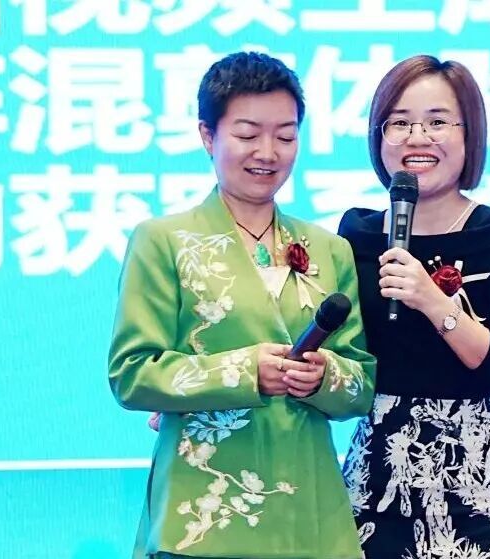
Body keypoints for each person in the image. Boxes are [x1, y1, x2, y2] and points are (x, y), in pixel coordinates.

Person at [109, 51, 375, 559]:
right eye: (248, 134)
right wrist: (245, 370)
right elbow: (132, 372)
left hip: (309, 515)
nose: (268, 152)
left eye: (286, 136)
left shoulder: (329, 249)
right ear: (208, 136)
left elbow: (361, 384)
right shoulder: (163, 241)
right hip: (203, 516)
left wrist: (324, 377)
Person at [338, 55, 490, 559]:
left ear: (469, 135)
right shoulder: (356, 236)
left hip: (470, 477)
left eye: (437, 122)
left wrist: (434, 302)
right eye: (400, 122)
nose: (418, 137)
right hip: (376, 473)